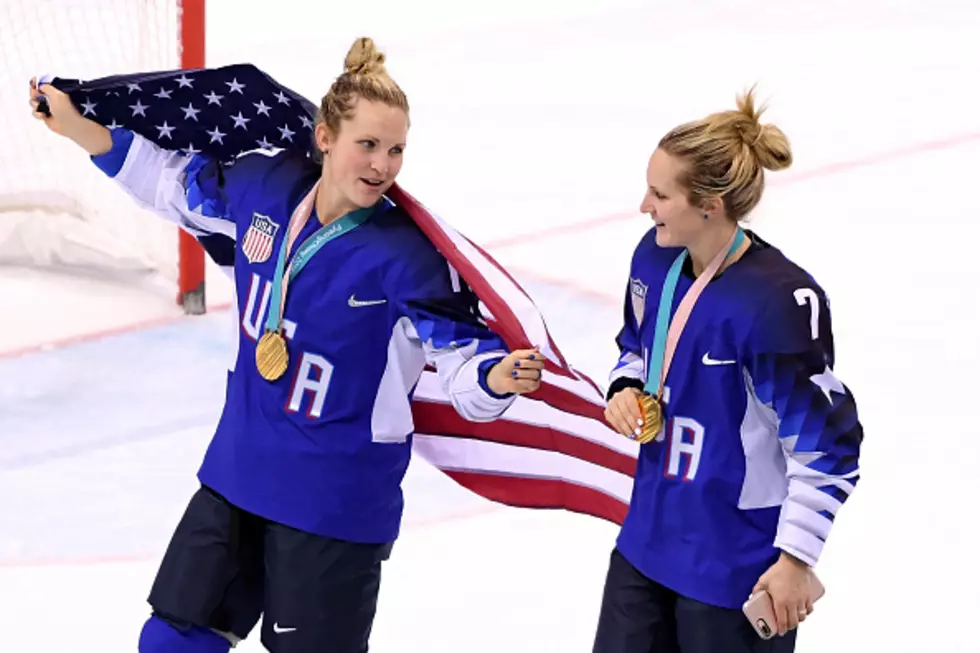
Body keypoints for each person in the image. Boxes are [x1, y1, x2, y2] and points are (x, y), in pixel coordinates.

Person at [30, 38, 544, 653]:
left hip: (333, 506)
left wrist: (494, 378)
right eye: (368, 144)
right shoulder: (262, 188)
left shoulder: (408, 258)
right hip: (239, 472)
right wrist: (81, 130)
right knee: (169, 640)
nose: (383, 165)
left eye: (397, 149)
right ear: (324, 137)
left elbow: (463, 362)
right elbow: (169, 186)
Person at [594, 88, 863, 653]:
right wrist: (624, 386)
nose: (645, 206)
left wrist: (795, 561)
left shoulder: (775, 303)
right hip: (645, 544)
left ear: (710, 206)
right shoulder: (654, 257)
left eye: (660, 194)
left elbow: (829, 447)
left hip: (732, 568)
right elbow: (636, 345)